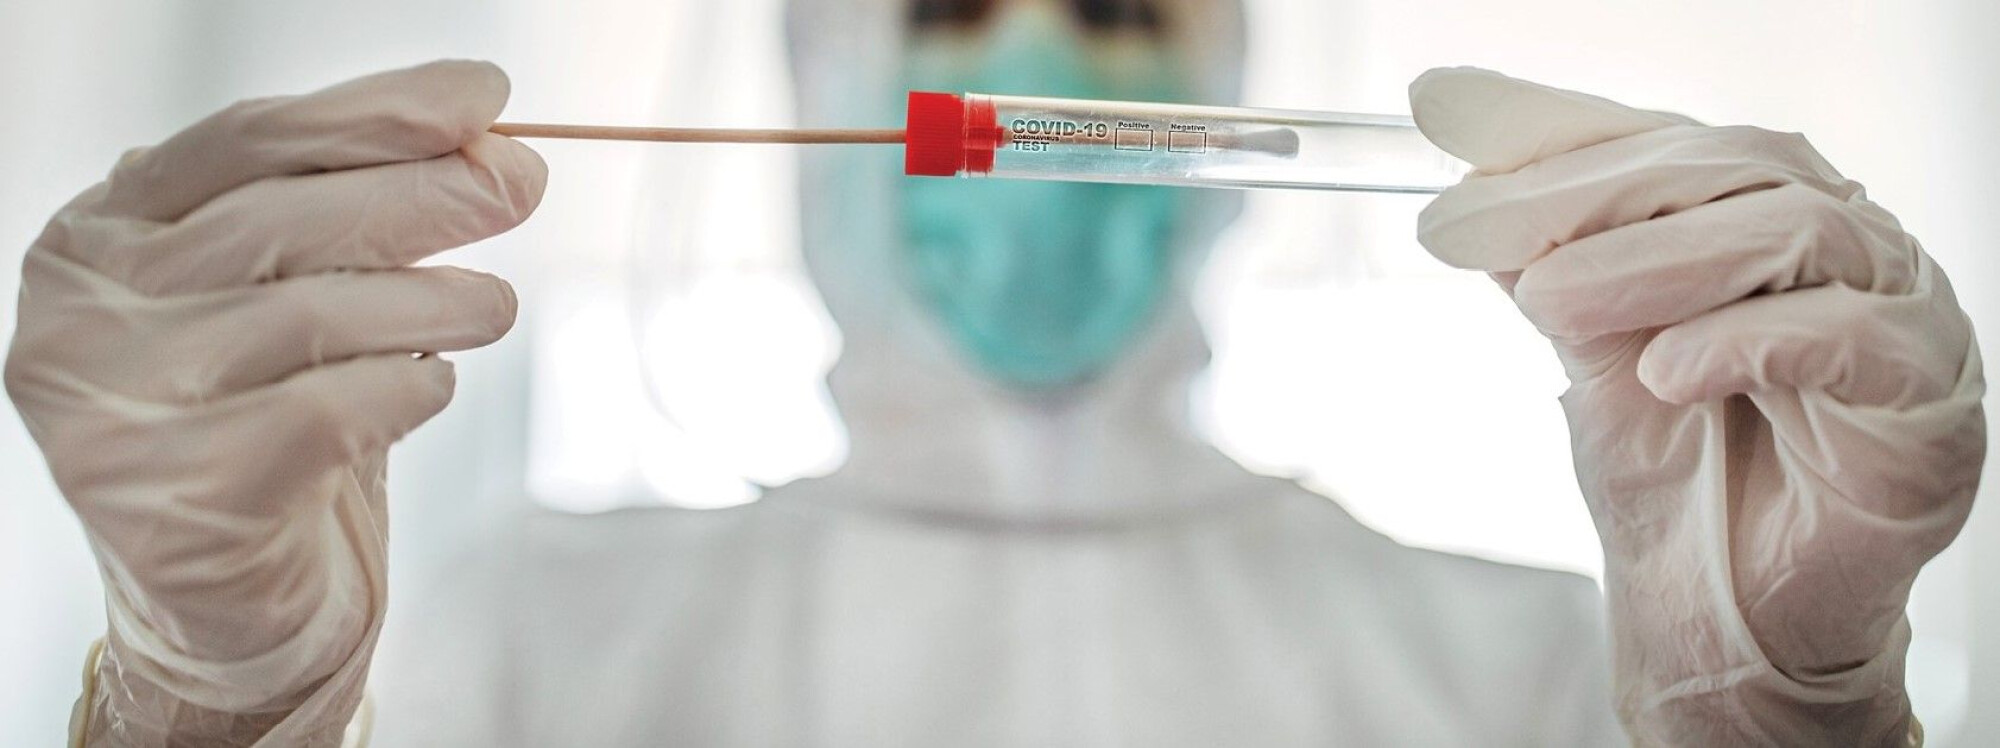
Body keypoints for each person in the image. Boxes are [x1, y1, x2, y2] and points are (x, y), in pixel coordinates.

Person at [6, 0, 1980, 745]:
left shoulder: (1538, 669)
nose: (1037, 63)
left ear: (1225, 89)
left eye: (1120, 7)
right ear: (815, 69)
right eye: (950, 3)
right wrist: (205, 711)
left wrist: (1787, 725)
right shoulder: (532, 634)